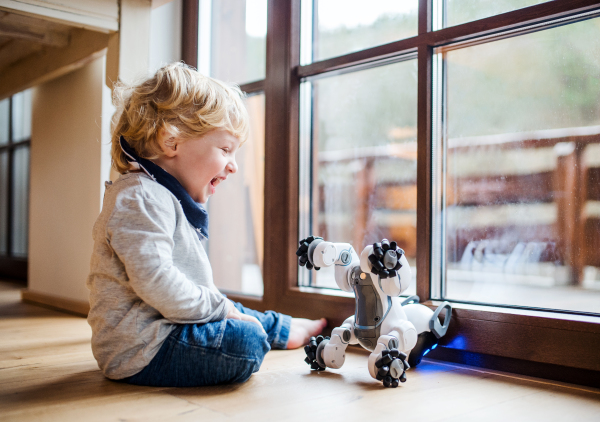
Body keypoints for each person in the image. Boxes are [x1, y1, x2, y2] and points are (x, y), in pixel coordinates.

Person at [86, 62, 326, 387]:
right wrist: (221, 309)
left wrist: (222, 307)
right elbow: (156, 281)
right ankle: (267, 332)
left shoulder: (160, 195)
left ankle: (280, 328)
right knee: (246, 342)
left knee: (226, 306)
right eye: (225, 149)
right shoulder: (141, 198)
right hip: (142, 349)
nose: (234, 166)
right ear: (171, 142)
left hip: (166, 327)